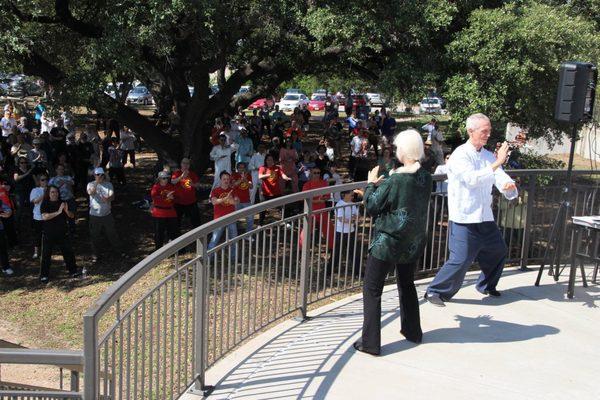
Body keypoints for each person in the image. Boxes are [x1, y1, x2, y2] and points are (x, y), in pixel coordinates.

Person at [425, 113, 518, 307]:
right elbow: (472, 180)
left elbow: (498, 175)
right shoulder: (460, 154)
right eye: (484, 131)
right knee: (460, 259)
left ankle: (486, 285)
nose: (488, 135)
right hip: (464, 217)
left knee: (498, 251)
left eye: (489, 131)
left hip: (484, 217)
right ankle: (435, 291)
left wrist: (508, 186)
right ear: (470, 131)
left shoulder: (486, 155)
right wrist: (498, 162)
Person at [353, 129, 432, 356]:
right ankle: (413, 331)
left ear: (403, 151)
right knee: (406, 284)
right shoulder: (425, 176)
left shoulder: (396, 179)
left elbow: (373, 206)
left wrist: (370, 184)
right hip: (413, 240)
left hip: (388, 241)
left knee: (372, 287)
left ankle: (370, 342)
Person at [40, 185, 81, 283]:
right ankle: (44, 275)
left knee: (68, 252)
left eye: (56, 192)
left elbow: (72, 216)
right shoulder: (45, 203)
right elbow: (45, 217)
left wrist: (66, 211)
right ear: (48, 194)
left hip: (62, 233)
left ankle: (73, 271)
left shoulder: (62, 203)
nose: (55, 194)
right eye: (52, 192)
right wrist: (58, 212)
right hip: (49, 233)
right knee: (46, 255)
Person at [87, 167, 123, 262]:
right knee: (95, 235)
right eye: (97, 175)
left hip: (107, 214)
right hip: (94, 215)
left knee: (112, 233)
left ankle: (118, 251)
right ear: (94, 175)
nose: (100, 176)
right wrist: (97, 183)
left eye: (101, 175)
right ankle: (96, 255)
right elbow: (91, 192)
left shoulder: (108, 184)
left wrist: (108, 199)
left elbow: (112, 196)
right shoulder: (90, 184)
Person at [207, 171, 239, 256]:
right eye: (224, 179)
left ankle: (234, 258)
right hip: (219, 219)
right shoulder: (215, 190)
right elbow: (214, 202)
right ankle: (209, 259)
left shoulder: (232, 190)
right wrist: (225, 199)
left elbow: (237, 201)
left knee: (234, 239)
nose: (226, 181)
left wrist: (231, 200)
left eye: (228, 179)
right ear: (220, 180)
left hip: (231, 218)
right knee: (214, 240)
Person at [330, 190, 360, 276]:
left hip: (351, 231)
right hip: (340, 232)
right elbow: (341, 219)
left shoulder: (353, 204)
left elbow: (357, 216)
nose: (352, 196)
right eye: (351, 194)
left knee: (354, 252)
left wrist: (354, 219)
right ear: (344, 195)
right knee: (337, 253)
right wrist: (352, 220)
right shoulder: (339, 204)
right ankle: (329, 271)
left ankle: (356, 271)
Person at [258, 154, 291, 225]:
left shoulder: (277, 168)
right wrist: (269, 174)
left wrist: (286, 177)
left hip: (276, 192)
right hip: (266, 193)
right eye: (268, 160)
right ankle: (260, 224)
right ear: (266, 160)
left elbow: (282, 174)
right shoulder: (263, 168)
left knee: (283, 205)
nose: (270, 161)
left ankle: (284, 221)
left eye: (271, 160)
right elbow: (260, 176)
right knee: (262, 209)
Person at [150, 171, 179, 250]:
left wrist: (173, 198)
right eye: (164, 178)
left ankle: (172, 249)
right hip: (159, 213)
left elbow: (177, 197)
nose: (166, 180)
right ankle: (158, 250)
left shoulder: (171, 186)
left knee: (173, 232)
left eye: (167, 178)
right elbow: (154, 197)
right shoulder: (156, 187)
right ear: (159, 179)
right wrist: (166, 196)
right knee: (159, 233)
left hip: (170, 213)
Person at [171, 158, 201, 228]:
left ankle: (198, 237)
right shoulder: (177, 173)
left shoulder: (192, 174)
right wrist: (181, 177)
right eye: (184, 163)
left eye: (187, 163)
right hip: (178, 202)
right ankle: (175, 237)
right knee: (176, 223)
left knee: (196, 222)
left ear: (189, 165)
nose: (185, 165)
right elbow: (173, 181)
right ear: (181, 164)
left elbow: (198, 184)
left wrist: (193, 184)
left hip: (191, 202)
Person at [231, 162, 254, 235]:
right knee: (233, 219)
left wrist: (246, 180)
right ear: (237, 169)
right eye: (240, 167)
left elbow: (251, 186)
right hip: (236, 201)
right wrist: (241, 179)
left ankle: (248, 234)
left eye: (243, 167)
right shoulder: (234, 175)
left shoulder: (248, 175)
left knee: (250, 218)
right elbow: (234, 185)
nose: (242, 169)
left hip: (247, 201)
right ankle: (233, 235)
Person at [30, 173, 48, 259]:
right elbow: (35, 201)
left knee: (47, 234)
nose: (44, 181)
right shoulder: (35, 190)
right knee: (38, 235)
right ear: (39, 181)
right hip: (38, 216)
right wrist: (44, 193)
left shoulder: (51, 189)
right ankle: (36, 252)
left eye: (46, 179)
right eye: (42, 180)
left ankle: (46, 252)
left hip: (48, 216)